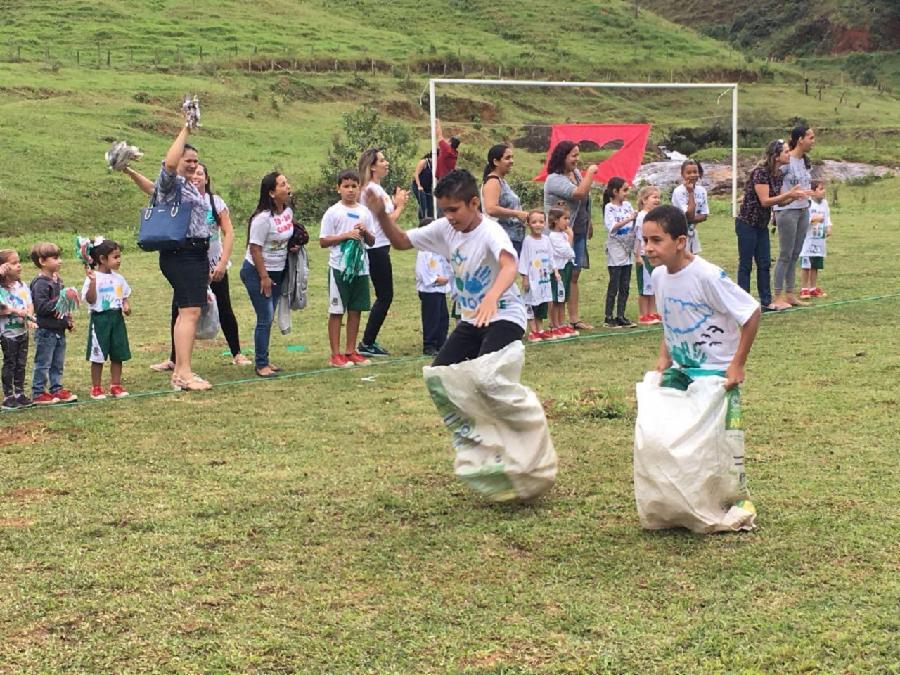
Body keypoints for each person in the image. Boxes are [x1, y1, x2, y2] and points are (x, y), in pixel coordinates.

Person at [367, 169, 526, 366]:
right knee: (439, 376)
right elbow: (401, 242)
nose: (448, 216)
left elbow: (509, 265)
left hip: (505, 316)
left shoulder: (491, 232)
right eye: (444, 210)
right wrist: (381, 215)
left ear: (474, 203)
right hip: (472, 320)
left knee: (486, 375)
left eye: (454, 209)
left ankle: (521, 399)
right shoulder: (444, 228)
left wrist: (492, 297)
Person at [123, 112, 212, 391]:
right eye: (189, 161)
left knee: (188, 312)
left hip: (194, 254)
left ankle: (181, 371)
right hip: (182, 253)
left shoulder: (186, 187)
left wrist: (128, 171)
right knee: (189, 313)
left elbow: (150, 188)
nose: (193, 165)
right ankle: (183, 372)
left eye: (196, 162)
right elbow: (169, 164)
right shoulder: (172, 181)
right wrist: (186, 127)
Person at [642, 205, 761, 390]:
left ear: (680, 242)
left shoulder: (707, 276)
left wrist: (737, 364)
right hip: (680, 371)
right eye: (645, 240)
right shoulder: (658, 276)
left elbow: (752, 312)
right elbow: (671, 321)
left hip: (716, 373)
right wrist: (665, 356)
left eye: (656, 240)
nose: (648, 248)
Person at [150, 163, 251, 371]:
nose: (196, 176)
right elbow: (154, 188)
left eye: (200, 173)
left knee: (224, 308)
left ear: (207, 178)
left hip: (214, 265)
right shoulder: (181, 198)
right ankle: (174, 359)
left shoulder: (215, 202)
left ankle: (237, 353)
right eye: (193, 173)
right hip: (188, 265)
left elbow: (229, 233)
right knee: (179, 310)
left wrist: (222, 263)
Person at [734, 139, 810, 312]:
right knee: (746, 264)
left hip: (761, 225)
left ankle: (767, 301)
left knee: (764, 262)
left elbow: (781, 202)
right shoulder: (761, 173)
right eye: (785, 151)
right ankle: (743, 303)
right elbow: (765, 201)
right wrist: (789, 194)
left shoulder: (778, 175)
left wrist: (795, 196)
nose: (788, 154)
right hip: (747, 223)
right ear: (776, 156)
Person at [320, 169, 377, 368]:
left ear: (359, 188)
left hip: (360, 268)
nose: (350, 190)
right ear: (338, 189)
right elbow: (323, 241)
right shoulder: (333, 212)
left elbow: (372, 241)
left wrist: (365, 232)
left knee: (356, 310)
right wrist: (345, 235)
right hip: (339, 268)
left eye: (354, 186)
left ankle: (351, 350)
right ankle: (335, 354)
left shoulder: (364, 212)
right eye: (346, 186)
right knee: (337, 310)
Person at [240, 172, 295, 378]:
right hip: (257, 271)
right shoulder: (263, 219)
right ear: (271, 192)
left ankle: (266, 359)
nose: (287, 186)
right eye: (282, 184)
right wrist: (264, 277)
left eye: (286, 183)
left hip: (278, 270)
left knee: (269, 316)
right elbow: (255, 249)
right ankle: (261, 364)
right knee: (265, 316)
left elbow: (286, 236)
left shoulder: (287, 211)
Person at [357, 148, 409, 357]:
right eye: (382, 160)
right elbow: (386, 221)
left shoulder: (378, 189)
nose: (386, 163)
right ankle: (367, 342)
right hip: (375, 247)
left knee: (384, 294)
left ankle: (368, 341)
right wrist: (401, 206)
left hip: (381, 245)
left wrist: (395, 202)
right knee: (385, 295)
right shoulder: (371, 190)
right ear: (372, 166)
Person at [543, 141, 599, 331]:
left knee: (574, 274)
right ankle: (554, 322)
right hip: (559, 236)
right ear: (562, 157)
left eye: (578, 155)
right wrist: (590, 173)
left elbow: (584, 202)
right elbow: (580, 193)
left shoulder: (575, 174)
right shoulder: (554, 179)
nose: (577, 159)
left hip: (577, 230)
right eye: (573, 155)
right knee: (558, 275)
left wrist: (588, 222)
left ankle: (574, 319)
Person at [81, 238, 132, 400]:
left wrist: (126, 305)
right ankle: (96, 388)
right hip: (100, 319)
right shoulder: (93, 277)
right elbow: (90, 299)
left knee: (117, 353)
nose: (119, 260)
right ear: (102, 259)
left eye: (119, 256)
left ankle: (115, 385)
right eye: (115, 257)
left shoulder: (119, 279)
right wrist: (93, 282)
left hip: (116, 319)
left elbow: (124, 296)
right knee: (98, 355)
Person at [773, 125, 817, 308]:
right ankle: (777, 295)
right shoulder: (786, 160)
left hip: (803, 210)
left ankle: (790, 294)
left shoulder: (805, 161)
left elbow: (803, 185)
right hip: (786, 211)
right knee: (785, 254)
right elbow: (772, 180)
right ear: (800, 139)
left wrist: (808, 194)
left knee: (795, 254)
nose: (813, 141)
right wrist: (779, 202)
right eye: (811, 137)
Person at [29, 242, 77, 404]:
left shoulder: (58, 281)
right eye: (55, 258)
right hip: (46, 331)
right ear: (43, 261)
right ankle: (38, 392)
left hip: (59, 330)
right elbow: (41, 307)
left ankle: (56, 388)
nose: (60, 261)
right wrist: (61, 299)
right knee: (43, 363)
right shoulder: (40, 283)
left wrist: (68, 320)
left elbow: (63, 307)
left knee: (57, 362)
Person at [0, 249, 34, 409]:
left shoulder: (22, 286)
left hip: (22, 332)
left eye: (19, 261)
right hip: (8, 334)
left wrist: (29, 316)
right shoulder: (1, 289)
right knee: (10, 363)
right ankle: (8, 396)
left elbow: (29, 304)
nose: (19, 265)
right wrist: (16, 311)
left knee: (21, 363)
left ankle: (20, 393)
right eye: (13, 263)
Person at [482, 144, 529, 256]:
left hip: (512, 236)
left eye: (512, 157)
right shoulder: (493, 182)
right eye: (507, 158)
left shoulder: (501, 181)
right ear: (496, 162)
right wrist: (516, 213)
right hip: (502, 238)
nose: (511, 161)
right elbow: (491, 209)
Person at [602, 177, 637, 328]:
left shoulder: (628, 205)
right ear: (615, 191)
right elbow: (612, 226)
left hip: (627, 247)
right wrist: (629, 219)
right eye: (624, 190)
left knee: (625, 284)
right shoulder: (609, 207)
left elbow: (634, 222)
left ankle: (621, 315)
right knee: (614, 284)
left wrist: (634, 218)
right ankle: (608, 316)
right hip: (616, 248)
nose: (627, 193)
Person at [414, 217, 451, 356]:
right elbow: (423, 272)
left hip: (440, 290)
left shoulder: (439, 249)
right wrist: (436, 279)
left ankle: (441, 342)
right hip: (429, 290)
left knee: (443, 317)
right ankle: (429, 344)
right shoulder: (424, 252)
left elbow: (446, 265)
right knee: (431, 318)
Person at [518, 210, 556, 342]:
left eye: (541, 221)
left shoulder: (546, 240)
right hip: (532, 280)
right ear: (528, 224)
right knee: (530, 304)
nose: (538, 225)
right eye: (534, 222)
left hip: (544, 280)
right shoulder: (527, 241)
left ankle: (540, 329)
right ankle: (533, 331)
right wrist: (525, 278)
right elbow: (523, 259)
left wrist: (555, 271)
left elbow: (551, 257)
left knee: (542, 304)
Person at [547, 205, 578, 338]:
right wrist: (570, 238)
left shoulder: (562, 235)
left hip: (566, 267)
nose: (568, 222)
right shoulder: (554, 236)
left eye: (568, 218)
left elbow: (570, 254)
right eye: (565, 218)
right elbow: (566, 252)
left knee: (563, 297)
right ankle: (554, 324)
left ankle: (561, 323)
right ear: (555, 220)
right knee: (556, 298)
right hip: (558, 269)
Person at [800, 180, 833, 298]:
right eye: (821, 189)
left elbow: (827, 217)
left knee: (816, 264)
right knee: (806, 265)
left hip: (819, 239)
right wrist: (814, 218)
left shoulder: (824, 203)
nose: (824, 191)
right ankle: (804, 288)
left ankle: (813, 288)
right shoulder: (807, 203)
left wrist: (829, 227)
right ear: (812, 192)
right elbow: (804, 219)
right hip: (808, 240)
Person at [634, 186, 662, 325]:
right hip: (644, 254)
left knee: (653, 283)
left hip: (653, 253)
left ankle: (652, 312)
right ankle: (643, 314)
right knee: (644, 285)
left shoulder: (654, 217)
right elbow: (639, 237)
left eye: (658, 197)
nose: (657, 200)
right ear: (645, 200)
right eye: (654, 197)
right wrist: (638, 255)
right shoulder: (641, 216)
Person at [671, 160, 708, 254]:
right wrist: (690, 192)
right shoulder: (679, 191)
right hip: (679, 232)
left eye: (695, 172)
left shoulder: (702, 191)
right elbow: (689, 214)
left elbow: (704, 215)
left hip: (692, 230)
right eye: (688, 173)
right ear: (682, 174)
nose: (692, 175)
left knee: (693, 259)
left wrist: (690, 219)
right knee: (681, 258)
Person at [411, 152, 435, 220]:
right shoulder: (424, 162)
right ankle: (422, 220)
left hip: (427, 188)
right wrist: (419, 186)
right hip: (418, 186)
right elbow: (416, 174)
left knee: (430, 205)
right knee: (423, 204)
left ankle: (431, 221)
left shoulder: (434, 165)